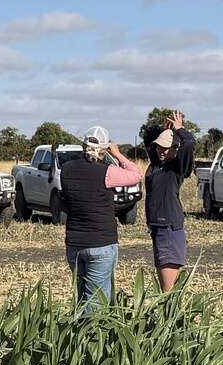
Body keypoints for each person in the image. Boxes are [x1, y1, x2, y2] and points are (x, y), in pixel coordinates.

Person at [60, 126, 142, 313]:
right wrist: (118, 154)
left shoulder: (66, 169)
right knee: (96, 304)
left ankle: (77, 337)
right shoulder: (107, 172)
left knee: (80, 298)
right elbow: (136, 175)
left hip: (74, 243)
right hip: (101, 243)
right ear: (104, 150)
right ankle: (94, 340)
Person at [144, 111, 195, 290]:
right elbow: (147, 137)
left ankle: (171, 318)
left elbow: (189, 144)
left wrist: (180, 129)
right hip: (158, 228)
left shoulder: (177, 168)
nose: (161, 151)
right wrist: (162, 128)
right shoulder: (157, 163)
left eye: (166, 148)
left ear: (175, 149)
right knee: (164, 289)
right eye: (159, 147)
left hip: (169, 229)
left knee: (168, 291)